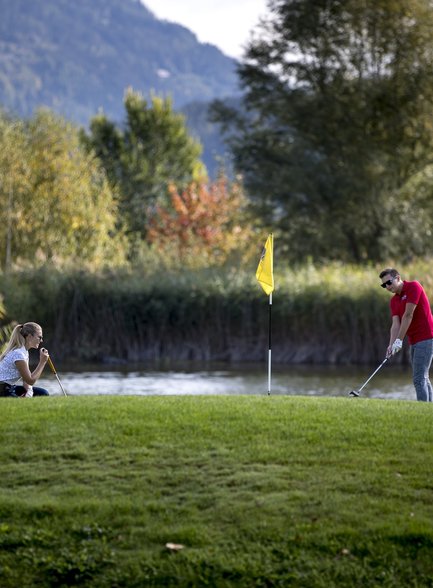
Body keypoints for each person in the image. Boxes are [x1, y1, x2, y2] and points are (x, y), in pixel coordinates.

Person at [380, 268, 433, 402]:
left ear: (398, 277)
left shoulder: (413, 286)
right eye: (384, 285)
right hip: (414, 340)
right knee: (423, 377)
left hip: (426, 336)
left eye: (389, 282)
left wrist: (399, 340)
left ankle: (422, 410)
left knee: (418, 378)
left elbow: (408, 315)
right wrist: (391, 345)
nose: (387, 287)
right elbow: (395, 324)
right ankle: (428, 409)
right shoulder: (394, 301)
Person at [0, 322, 50, 397]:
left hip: (9, 387)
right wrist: (42, 362)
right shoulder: (19, 354)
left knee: (43, 393)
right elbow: (30, 380)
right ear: (29, 337)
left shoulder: (24, 352)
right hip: (2, 389)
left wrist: (29, 392)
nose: (41, 340)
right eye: (39, 337)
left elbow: (26, 380)